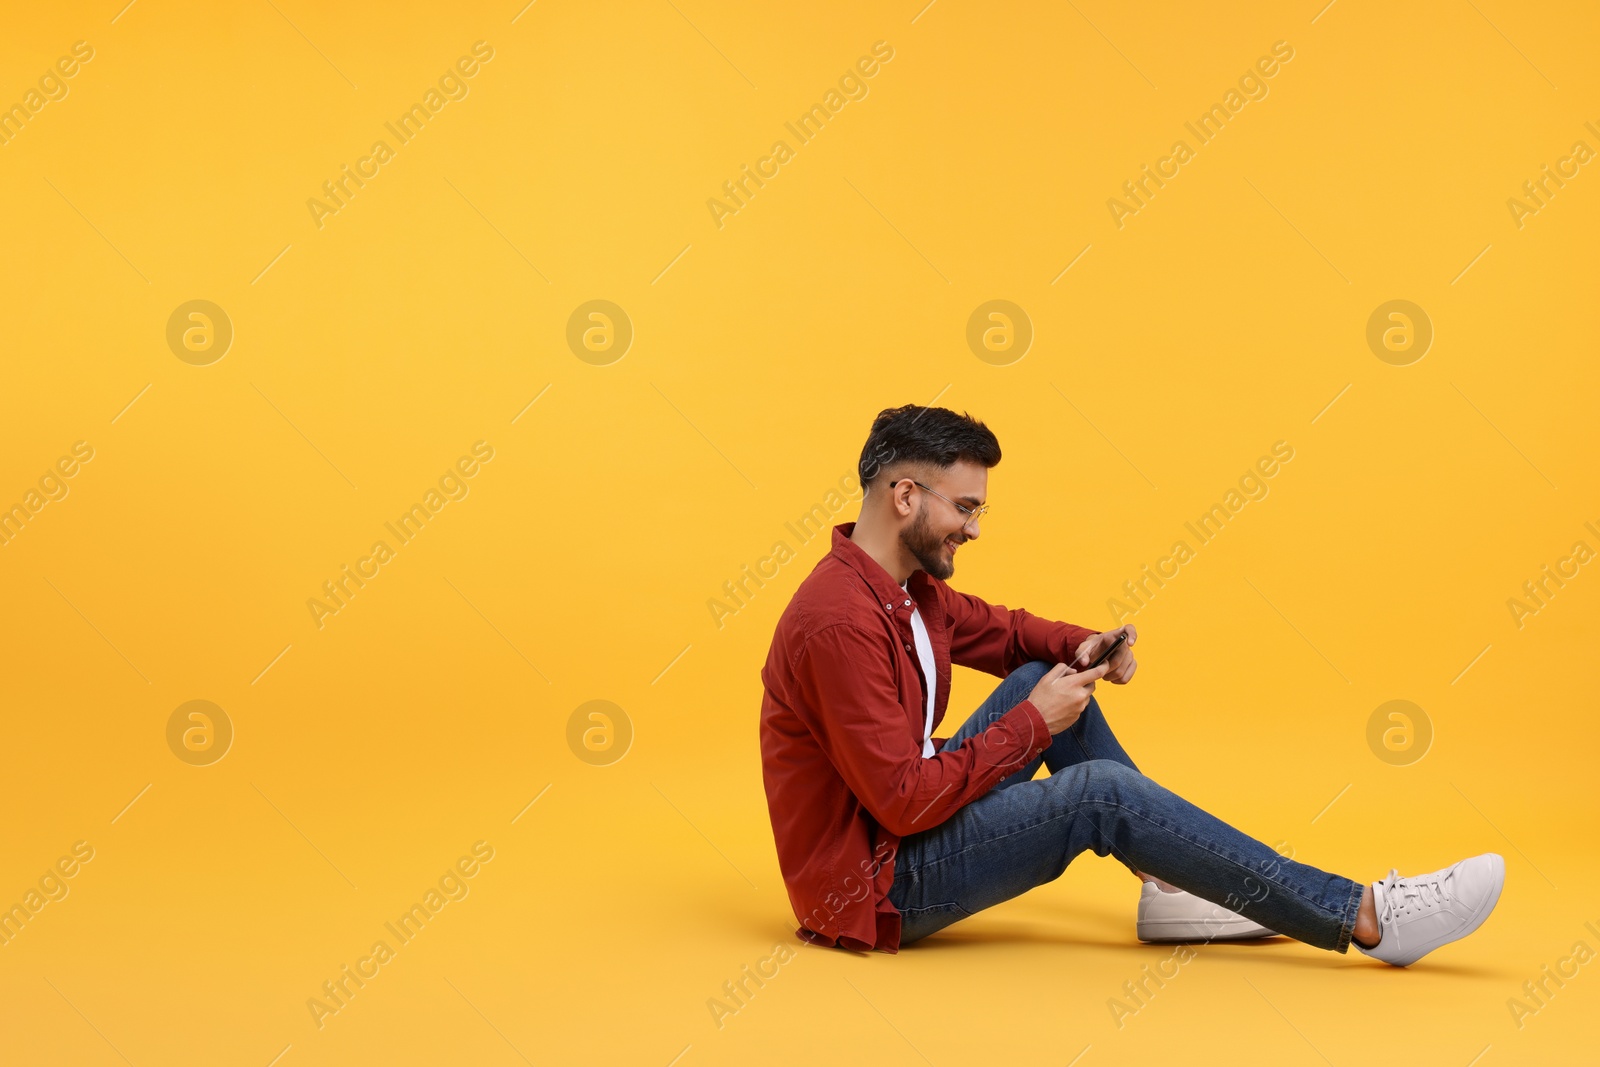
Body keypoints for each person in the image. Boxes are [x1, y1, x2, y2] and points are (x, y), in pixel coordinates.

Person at [758, 404, 1504, 965]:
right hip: (877, 886)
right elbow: (901, 798)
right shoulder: (838, 623)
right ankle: (1366, 915)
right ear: (905, 496)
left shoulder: (904, 586)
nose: (975, 528)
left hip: (898, 834)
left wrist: (1081, 646)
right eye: (965, 507)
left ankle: (1174, 889)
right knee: (1100, 792)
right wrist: (1031, 726)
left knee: (1033, 678)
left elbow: (1008, 632)